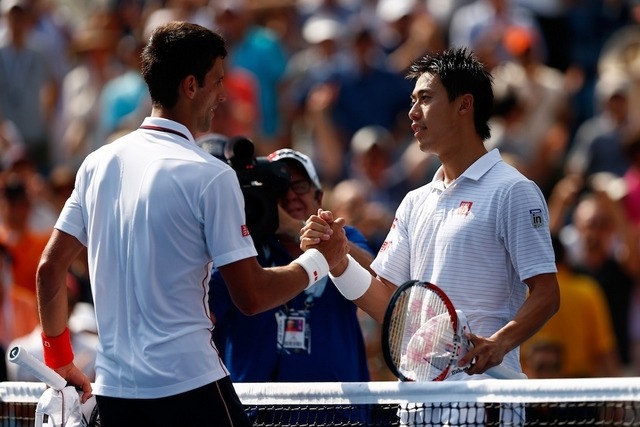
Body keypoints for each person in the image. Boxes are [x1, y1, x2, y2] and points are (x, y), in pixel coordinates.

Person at [35, 21, 348, 427]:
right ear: (190, 86)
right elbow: (251, 297)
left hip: (115, 396)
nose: (223, 95)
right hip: (189, 388)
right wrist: (318, 261)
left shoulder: (97, 164)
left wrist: (58, 360)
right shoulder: (210, 176)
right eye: (218, 82)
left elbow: (49, 269)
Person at [302, 47, 560, 426]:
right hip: (419, 404)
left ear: (464, 105)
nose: (412, 112)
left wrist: (500, 343)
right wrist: (338, 263)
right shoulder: (414, 201)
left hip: (485, 401)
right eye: (412, 101)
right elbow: (387, 303)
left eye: (425, 98)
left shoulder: (513, 190)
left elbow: (547, 293)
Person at [209, 148, 374, 424]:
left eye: (298, 185)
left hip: (338, 413)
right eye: (279, 186)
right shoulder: (242, 250)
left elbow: (377, 278)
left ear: (319, 196)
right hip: (256, 413)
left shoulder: (342, 240)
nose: (289, 195)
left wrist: (297, 228)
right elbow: (203, 308)